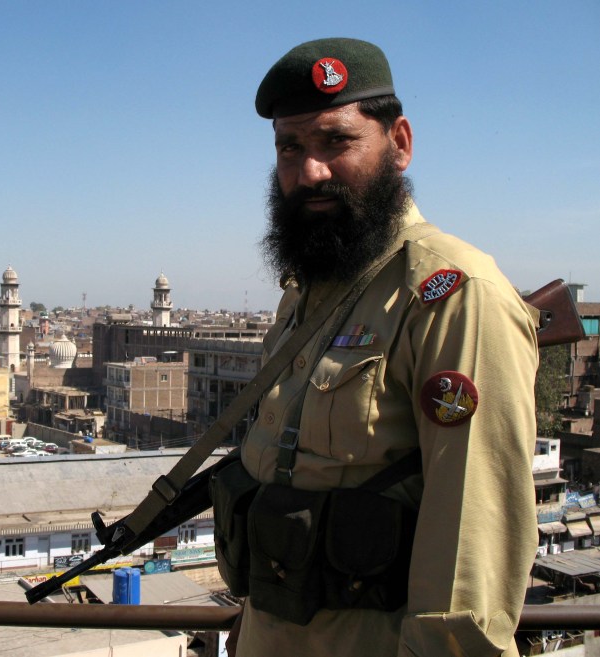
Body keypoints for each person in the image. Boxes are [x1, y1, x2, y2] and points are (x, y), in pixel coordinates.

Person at [223, 38, 539, 656]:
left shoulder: (450, 295)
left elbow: (474, 527)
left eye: (336, 141)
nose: (309, 170)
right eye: (291, 147)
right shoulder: (308, 292)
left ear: (399, 144)